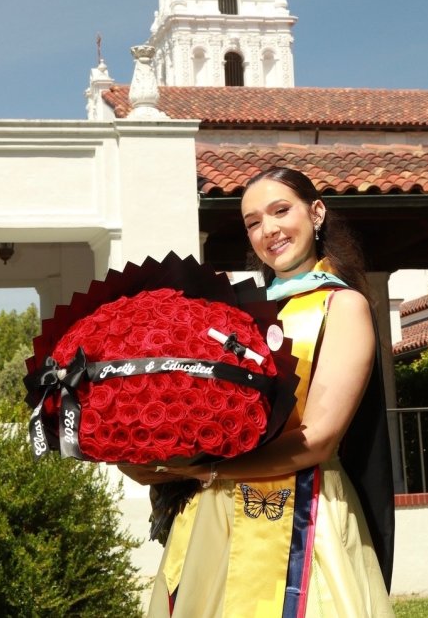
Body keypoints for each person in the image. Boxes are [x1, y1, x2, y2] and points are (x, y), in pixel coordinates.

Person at [123, 166, 395, 617]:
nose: (268, 229)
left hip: (306, 511)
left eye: (280, 210)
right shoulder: (235, 313)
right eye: (253, 222)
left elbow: (318, 438)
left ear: (317, 212)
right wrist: (153, 451)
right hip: (216, 519)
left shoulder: (342, 305)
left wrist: (209, 469)